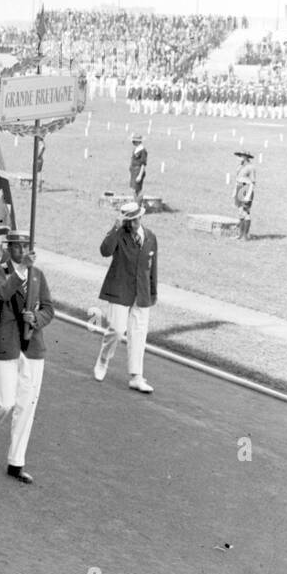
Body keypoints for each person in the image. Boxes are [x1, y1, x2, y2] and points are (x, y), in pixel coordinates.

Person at [0, 230, 54, 484]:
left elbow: (48, 308)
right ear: (8, 248)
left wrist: (36, 318)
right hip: (4, 344)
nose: (21, 250)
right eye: (17, 246)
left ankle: (16, 462)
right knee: (5, 402)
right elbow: (1, 293)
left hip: (32, 347)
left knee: (26, 406)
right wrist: (21, 270)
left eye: (25, 246)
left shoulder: (38, 275)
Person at [94, 202, 157, 393]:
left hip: (142, 292)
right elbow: (105, 251)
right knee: (117, 329)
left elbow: (152, 267)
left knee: (138, 334)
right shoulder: (119, 234)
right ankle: (103, 359)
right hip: (120, 287)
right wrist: (115, 227)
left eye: (137, 219)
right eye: (131, 220)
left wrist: (152, 292)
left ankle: (136, 376)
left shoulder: (150, 237)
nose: (135, 223)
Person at [233, 150, 256, 240]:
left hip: (246, 188)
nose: (239, 158)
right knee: (240, 212)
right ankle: (240, 235)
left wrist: (248, 195)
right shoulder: (240, 166)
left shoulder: (251, 167)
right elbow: (237, 178)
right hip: (239, 188)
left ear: (246, 157)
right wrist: (234, 191)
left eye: (241, 156)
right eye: (239, 156)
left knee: (245, 212)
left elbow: (252, 182)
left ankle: (245, 236)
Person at [129, 134, 147, 202]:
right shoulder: (136, 149)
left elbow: (143, 164)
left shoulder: (143, 151)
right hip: (134, 171)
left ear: (139, 142)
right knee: (134, 189)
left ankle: (138, 204)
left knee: (137, 189)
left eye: (135, 141)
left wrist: (140, 175)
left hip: (138, 171)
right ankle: (135, 202)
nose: (133, 142)